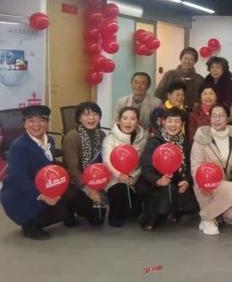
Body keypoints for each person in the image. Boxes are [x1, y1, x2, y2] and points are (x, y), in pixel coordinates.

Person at [1, 106, 102, 239]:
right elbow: (20, 178)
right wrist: (42, 196)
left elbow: (50, 163)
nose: (36, 125)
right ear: (24, 124)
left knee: (77, 196)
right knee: (60, 210)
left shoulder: (49, 140)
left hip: (46, 184)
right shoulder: (19, 147)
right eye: (31, 121)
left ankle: (69, 213)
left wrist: (68, 172)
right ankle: (30, 225)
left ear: (47, 123)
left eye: (41, 120)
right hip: (22, 194)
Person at [190, 104, 232, 235]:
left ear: (228, 118)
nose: (217, 119)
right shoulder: (201, 138)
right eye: (214, 116)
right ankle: (207, 219)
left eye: (221, 116)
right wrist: (203, 183)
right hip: (207, 185)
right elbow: (195, 166)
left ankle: (212, 214)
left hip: (227, 185)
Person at [136, 108, 198, 230]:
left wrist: (187, 180)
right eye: (170, 121)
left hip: (177, 179)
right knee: (163, 193)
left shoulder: (185, 143)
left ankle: (173, 211)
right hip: (155, 180)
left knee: (190, 205)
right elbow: (146, 167)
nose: (173, 125)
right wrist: (158, 180)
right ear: (163, 122)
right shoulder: (155, 141)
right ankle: (154, 215)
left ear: (182, 124)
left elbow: (190, 165)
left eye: (177, 121)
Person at [102, 107, 148, 227]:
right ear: (119, 120)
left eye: (132, 119)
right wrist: (119, 175)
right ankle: (114, 215)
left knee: (135, 210)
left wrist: (133, 176)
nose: (128, 122)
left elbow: (143, 162)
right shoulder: (110, 139)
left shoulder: (142, 139)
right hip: (114, 179)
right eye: (125, 118)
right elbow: (107, 161)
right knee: (120, 191)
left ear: (137, 122)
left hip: (134, 178)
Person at [62, 101, 107, 218]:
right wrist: (88, 190)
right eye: (86, 115)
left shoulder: (102, 135)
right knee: (74, 199)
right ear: (79, 118)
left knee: (98, 219)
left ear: (99, 117)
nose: (91, 118)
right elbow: (73, 169)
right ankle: (68, 210)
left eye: (95, 114)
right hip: (76, 183)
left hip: (95, 180)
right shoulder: (72, 137)